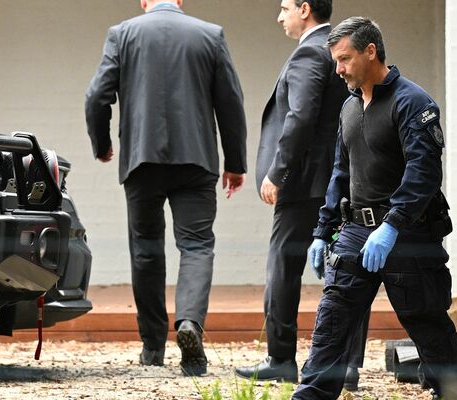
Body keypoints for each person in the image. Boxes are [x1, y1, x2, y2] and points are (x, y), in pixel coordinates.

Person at [292, 17, 457, 400]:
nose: (338, 70)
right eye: (336, 61)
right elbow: (341, 173)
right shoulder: (349, 108)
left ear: (370, 51)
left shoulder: (413, 103)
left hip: (408, 234)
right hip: (356, 233)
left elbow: (423, 173)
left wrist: (391, 226)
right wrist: (323, 231)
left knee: (428, 325)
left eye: (344, 59)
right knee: (332, 322)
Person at [84, 0, 247, 376]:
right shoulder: (210, 35)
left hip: (141, 161)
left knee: (145, 250)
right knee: (197, 245)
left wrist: (102, 144)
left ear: (144, 0)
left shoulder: (122, 34)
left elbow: (96, 96)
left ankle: (153, 346)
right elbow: (230, 102)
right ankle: (189, 323)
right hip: (197, 160)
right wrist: (235, 163)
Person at [235, 0, 368, 390]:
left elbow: (301, 116)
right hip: (344, 180)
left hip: (305, 183)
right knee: (347, 269)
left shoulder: (310, 53)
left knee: (283, 266)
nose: (280, 17)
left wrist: (279, 171)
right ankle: (346, 365)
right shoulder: (342, 50)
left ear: (305, 9)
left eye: (285, 8)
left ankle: (280, 358)